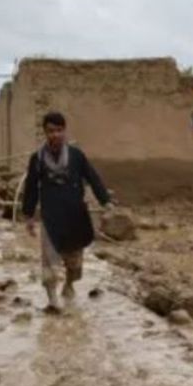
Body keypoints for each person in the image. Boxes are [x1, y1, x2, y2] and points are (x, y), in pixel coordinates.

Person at [22, 111, 114, 312]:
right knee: (49, 262)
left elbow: (93, 177)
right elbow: (30, 187)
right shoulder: (37, 159)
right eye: (50, 131)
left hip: (75, 216)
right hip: (50, 217)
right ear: (45, 133)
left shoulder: (76, 156)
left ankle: (69, 284)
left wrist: (106, 201)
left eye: (58, 130)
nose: (54, 135)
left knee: (74, 264)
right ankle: (52, 300)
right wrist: (28, 216)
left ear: (64, 131)